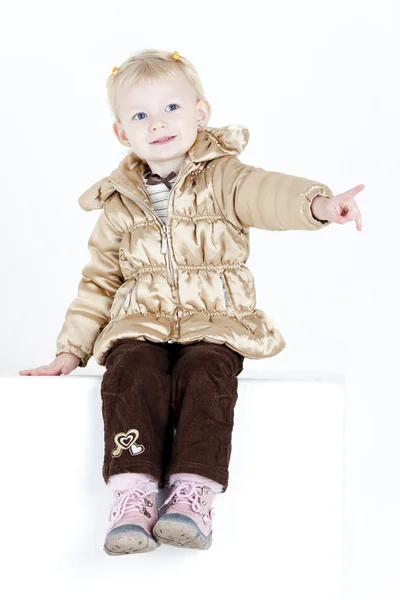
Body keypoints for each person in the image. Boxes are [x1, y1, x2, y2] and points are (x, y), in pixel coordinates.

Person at [19, 49, 364, 555]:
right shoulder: (118, 204)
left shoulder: (225, 178)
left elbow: (267, 193)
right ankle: (133, 492)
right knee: (131, 372)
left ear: (200, 113)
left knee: (206, 374)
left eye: (171, 108)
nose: (157, 123)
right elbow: (97, 282)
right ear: (122, 133)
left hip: (215, 321)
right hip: (141, 324)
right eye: (140, 115)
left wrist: (317, 205)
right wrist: (70, 351)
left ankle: (192, 493)